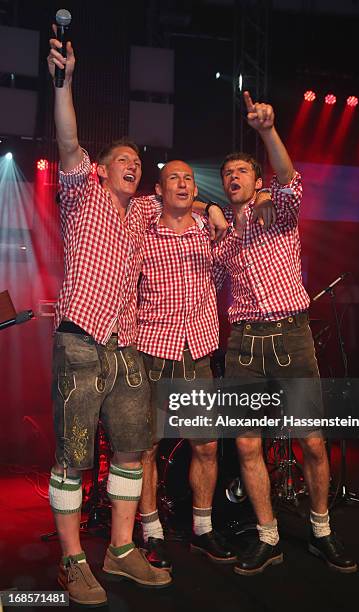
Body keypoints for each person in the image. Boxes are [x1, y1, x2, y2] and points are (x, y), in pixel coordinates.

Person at [46, 30, 228, 604]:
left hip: (125, 347)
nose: (132, 163)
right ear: (99, 171)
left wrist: (209, 204)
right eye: (121, 159)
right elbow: (69, 138)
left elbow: (179, 199)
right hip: (80, 340)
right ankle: (72, 561)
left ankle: (120, 550)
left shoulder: (141, 216)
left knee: (130, 449)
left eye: (135, 160)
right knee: (73, 456)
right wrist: (66, 82)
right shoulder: (85, 195)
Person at [213, 91, 358, 575]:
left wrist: (266, 132)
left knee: (312, 441)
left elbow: (292, 183)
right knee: (248, 444)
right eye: (227, 174)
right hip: (244, 343)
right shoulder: (226, 242)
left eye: (243, 172)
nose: (234, 178)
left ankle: (321, 530)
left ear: (257, 182)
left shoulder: (277, 216)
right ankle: (268, 536)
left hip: (291, 336)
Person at [137, 160, 237, 569]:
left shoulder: (209, 234)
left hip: (196, 351)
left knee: (207, 445)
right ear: (159, 190)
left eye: (189, 178)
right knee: (146, 448)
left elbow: (245, 219)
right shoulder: (141, 232)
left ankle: (201, 529)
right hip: (153, 350)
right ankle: (151, 533)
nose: (183, 183)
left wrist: (212, 211)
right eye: (174, 178)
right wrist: (204, 205)